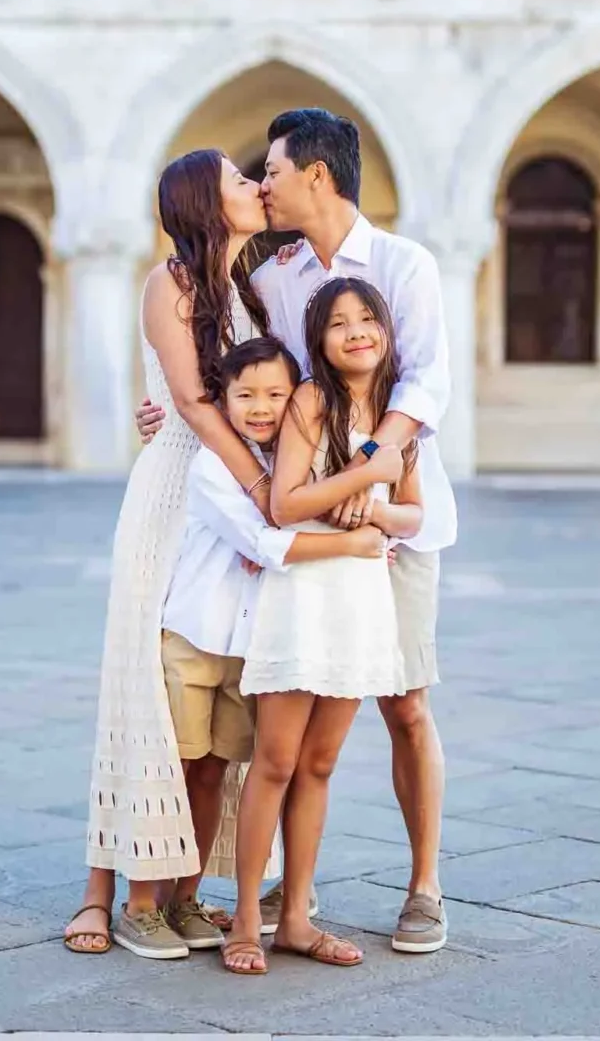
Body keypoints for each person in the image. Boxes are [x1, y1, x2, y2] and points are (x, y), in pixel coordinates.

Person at [138, 107, 453, 955]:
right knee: (283, 738)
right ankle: (276, 898)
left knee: (407, 702)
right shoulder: (272, 275)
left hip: (389, 517)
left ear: (316, 174)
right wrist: (167, 408)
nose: (262, 183)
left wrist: (374, 472)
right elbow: (252, 378)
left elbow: (425, 383)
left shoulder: (401, 264)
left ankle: (423, 885)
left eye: (269, 171)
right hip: (302, 522)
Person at [64, 149, 273, 961]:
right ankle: (105, 890)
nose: (255, 187)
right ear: (204, 203)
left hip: (230, 491)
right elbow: (188, 400)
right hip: (174, 499)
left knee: (219, 700)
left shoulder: (252, 289)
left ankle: (184, 888)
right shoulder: (171, 283)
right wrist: (258, 480)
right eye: (237, 181)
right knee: (143, 688)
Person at [160, 334, 390, 953]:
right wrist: (354, 540)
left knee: (217, 774)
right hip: (196, 635)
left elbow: (392, 502)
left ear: (297, 400)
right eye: (246, 396)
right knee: (177, 769)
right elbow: (269, 539)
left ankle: (187, 899)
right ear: (223, 400)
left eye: (275, 395)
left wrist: (370, 502)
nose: (261, 407)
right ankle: (142, 902)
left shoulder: (291, 455)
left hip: (250, 643)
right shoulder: (215, 464)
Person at [224, 278, 424, 976]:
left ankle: (299, 917)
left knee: (320, 763)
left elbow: (411, 514)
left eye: (367, 318)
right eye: (339, 323)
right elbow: (285, 503)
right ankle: (248, 919)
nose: (356, 332)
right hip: (305, 592)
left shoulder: (399, 416)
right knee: (275, 759)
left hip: (360, 596)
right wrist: (362, 479)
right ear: (320, 340)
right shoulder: (312, 401)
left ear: (386, 330)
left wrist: (372, 508)